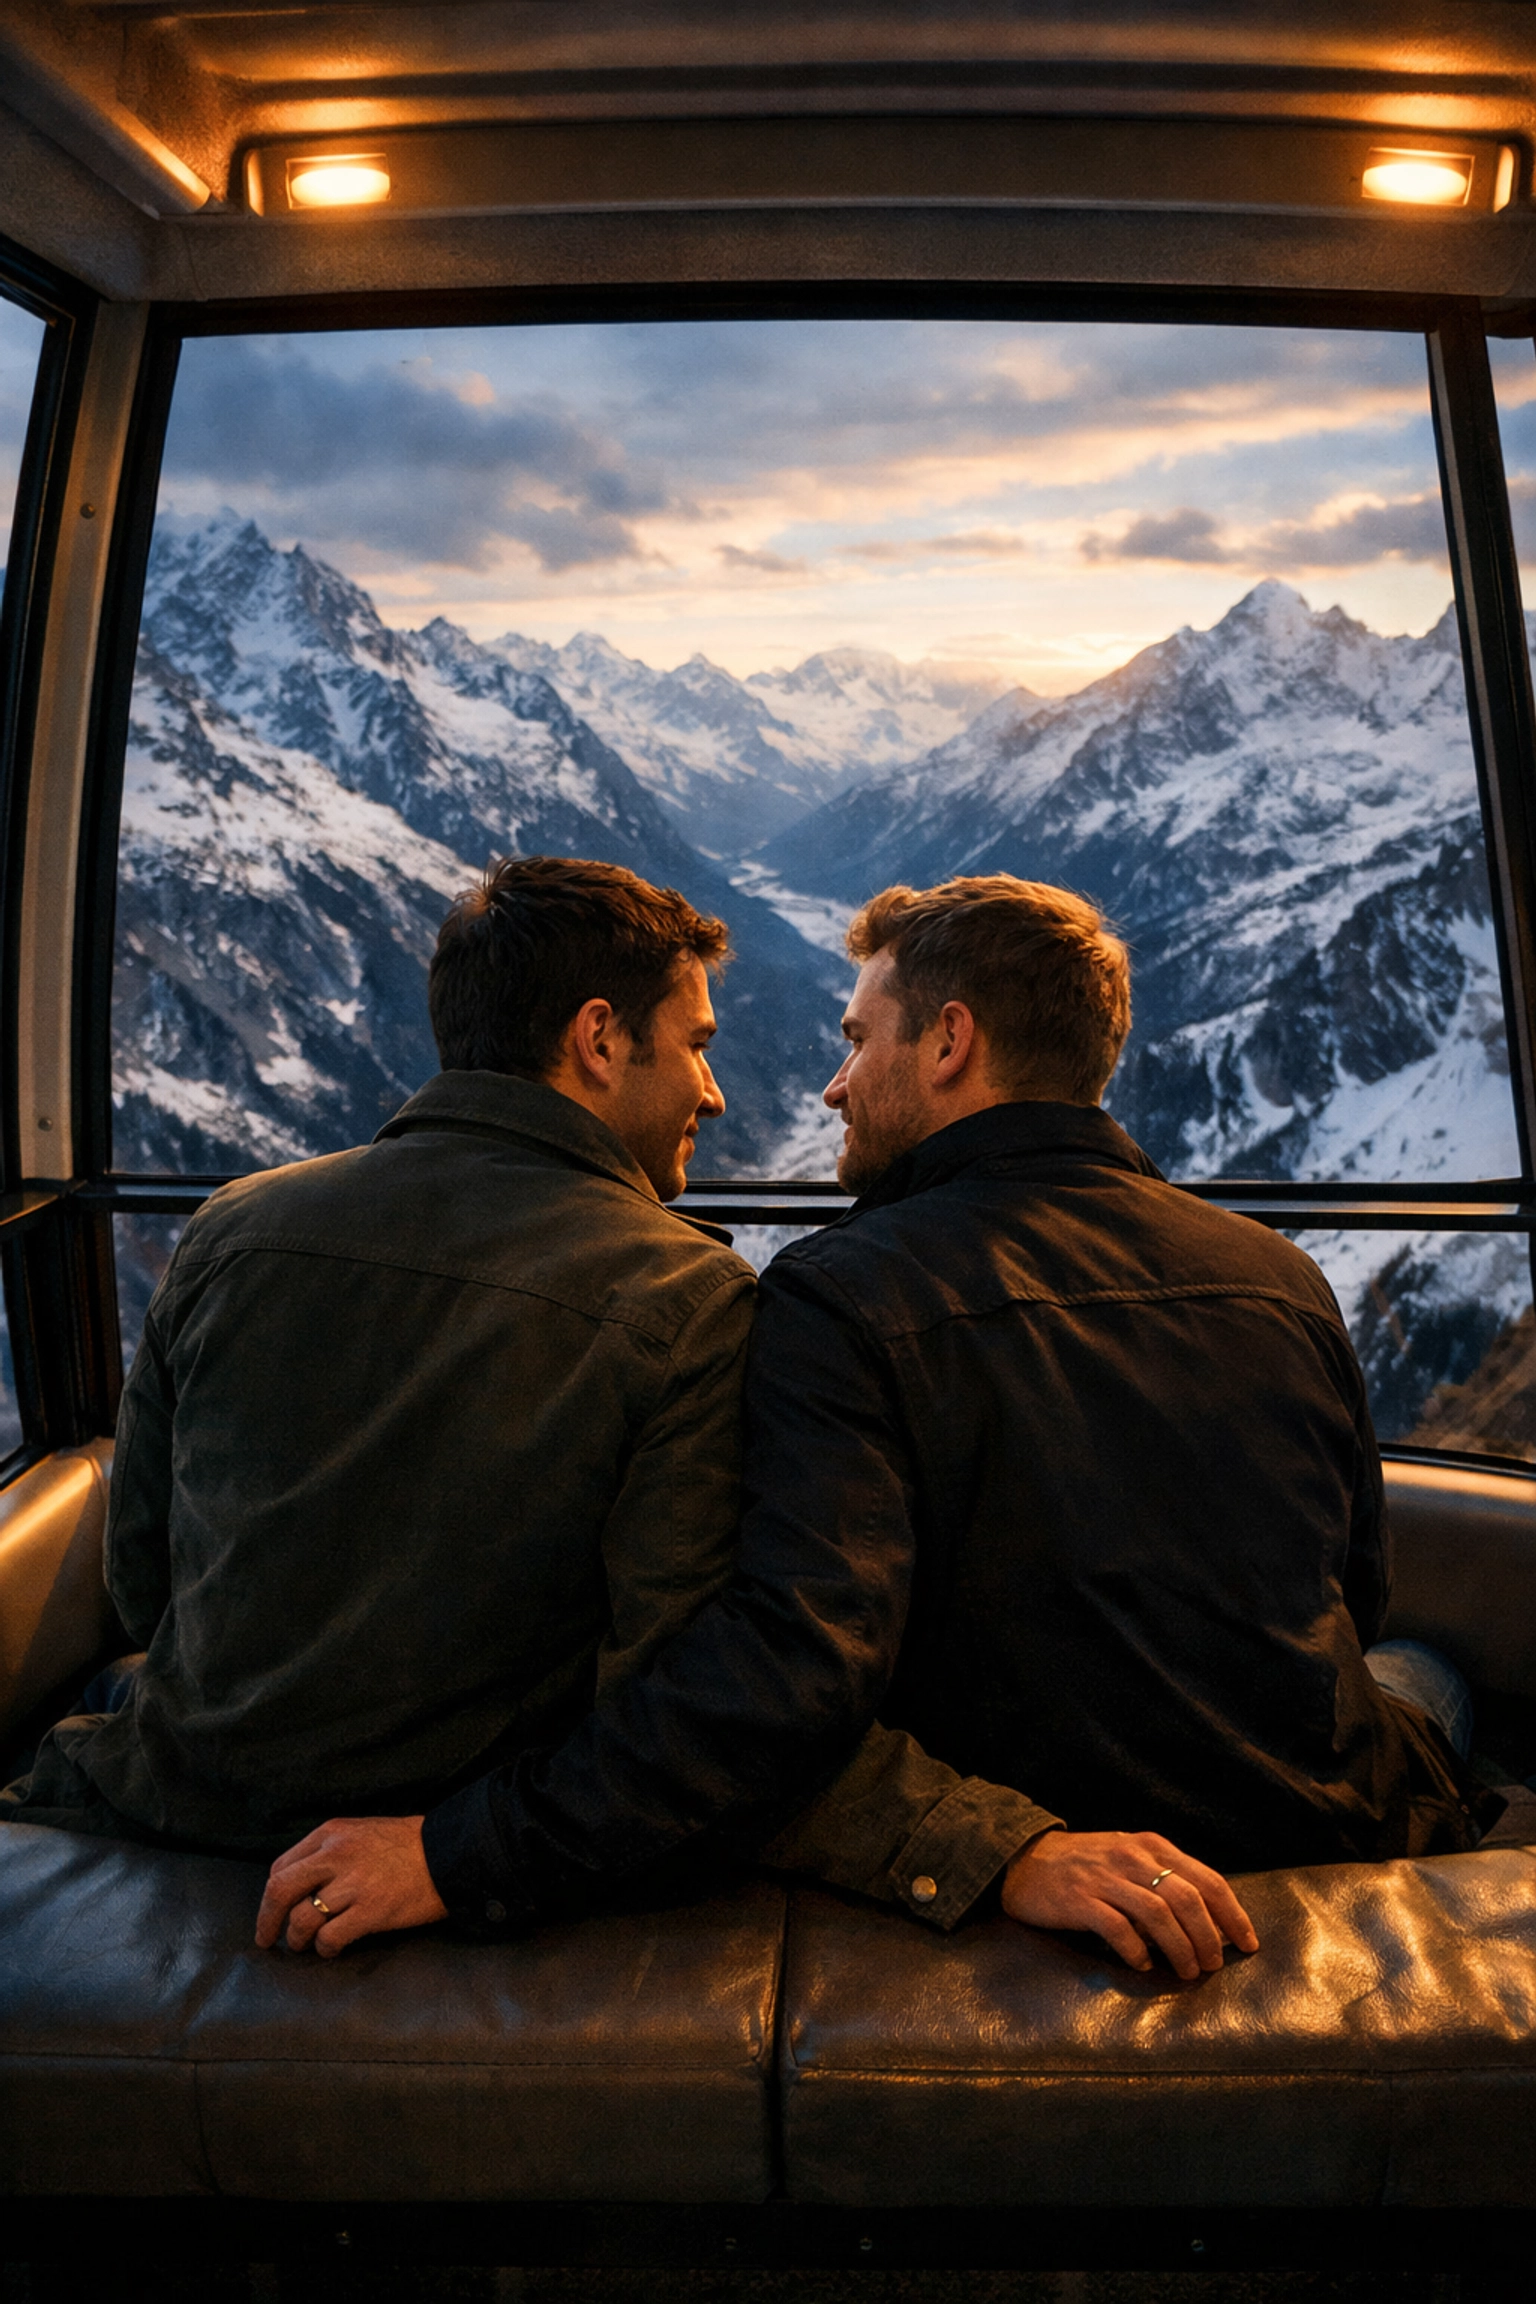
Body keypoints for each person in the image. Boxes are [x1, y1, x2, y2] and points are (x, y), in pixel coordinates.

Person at [258, 873, 1503, 1973]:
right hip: (1319, 1811)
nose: (831, 1081)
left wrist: (468, 1850)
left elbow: (788, 1673)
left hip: (1047, 1818)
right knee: (1425, 1674)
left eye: (859, 1039)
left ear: (951, 1041)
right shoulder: (1277, 1277)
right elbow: (1354, 1588)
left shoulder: (840, 1296)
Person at [10, 857, 1212, 1954]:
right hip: (456, 1852)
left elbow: (144, 1580)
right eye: (695, 1044)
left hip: (175, 1800)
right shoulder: (684, 1299)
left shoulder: (229, 1229)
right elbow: (681, 1686)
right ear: (598, 1039)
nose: (717, 1093)